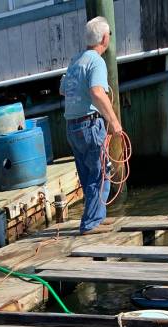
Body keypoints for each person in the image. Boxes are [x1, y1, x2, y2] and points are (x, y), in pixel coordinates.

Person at [60, 16, 123, 235]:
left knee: (88, 175)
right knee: (100, 174)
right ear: (105, 38)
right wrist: (114, 123)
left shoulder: (75, 61)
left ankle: (95, 218)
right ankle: (91, 223)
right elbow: (97, 92)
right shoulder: (96, 61)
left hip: (72, 127)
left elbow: (63, 89)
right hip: (88, 125)